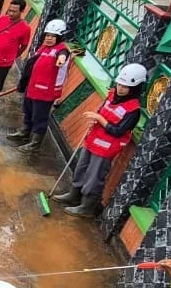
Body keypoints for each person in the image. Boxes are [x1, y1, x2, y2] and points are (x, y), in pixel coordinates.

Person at [56, 63, 147, 217]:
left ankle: (87, 207)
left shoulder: (133, 110)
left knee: (94, 176)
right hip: (92, 140)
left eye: (126, 87)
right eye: (119, 84)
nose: (120, 88)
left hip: (106, 149)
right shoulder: (111, 95)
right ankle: (74, 194)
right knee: (81, 168)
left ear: (135, 88)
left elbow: (118, 131)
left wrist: (100, 119)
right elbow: (102, 111)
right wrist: (96, 119)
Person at [7, 18, 70, 153]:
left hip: (45, 92)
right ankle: (24, 132)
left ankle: (35, 143)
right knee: (28, 110)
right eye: (47, 35)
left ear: (60, 37)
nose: (49, 38)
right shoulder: (44, 47)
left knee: (39, 116)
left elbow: (63, 56)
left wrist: (61, 60)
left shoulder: (61, 50)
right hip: (33, 87)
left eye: (53, 36)